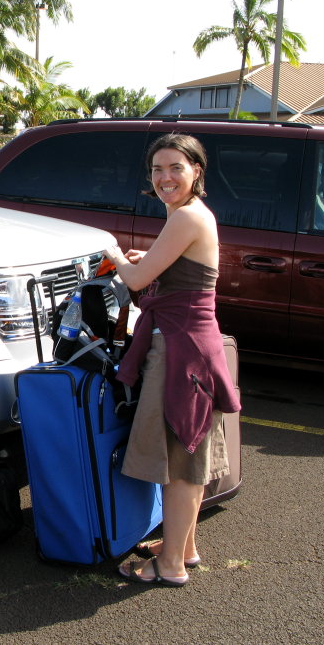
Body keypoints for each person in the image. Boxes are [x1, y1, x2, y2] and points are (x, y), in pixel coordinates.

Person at [104, 133, 241, 587]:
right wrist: (148, 261)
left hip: (182, 351)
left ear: (196, 171)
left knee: (180, 462)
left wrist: (114, 255)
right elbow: (177, 272)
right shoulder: (189, 217)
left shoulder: (185, 217)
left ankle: (170, 566)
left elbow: (139, 278)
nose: (165, 178)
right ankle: (185, 546)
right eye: (157, 169)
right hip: (194, 346)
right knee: (190, 455)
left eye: (175, 168)